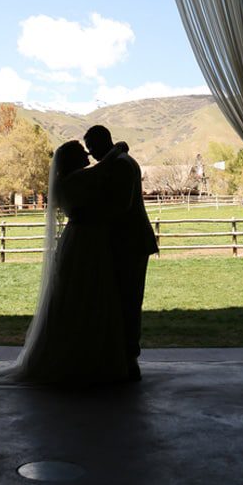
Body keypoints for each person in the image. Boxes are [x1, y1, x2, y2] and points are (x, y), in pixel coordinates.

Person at [0, 139, 130, 388]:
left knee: (82, 293)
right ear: (72, 159)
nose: (87, 154)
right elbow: (100, 172)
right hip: (84, 241)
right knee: (86, 291)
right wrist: (117, 150)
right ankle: (84, 360)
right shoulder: (74, 180)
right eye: (82, 152)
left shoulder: (67, 181)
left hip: (81, 238)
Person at [84, 125, 158, 381]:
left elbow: (120, 206)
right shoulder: (120, 161)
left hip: (131, 243)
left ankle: (130, 359)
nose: (91, 154)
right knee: (123, 301)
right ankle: (121, 357)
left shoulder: (121, 165)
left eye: (92, 148)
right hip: (127, 243)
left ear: (103, 142)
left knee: (129, 301)